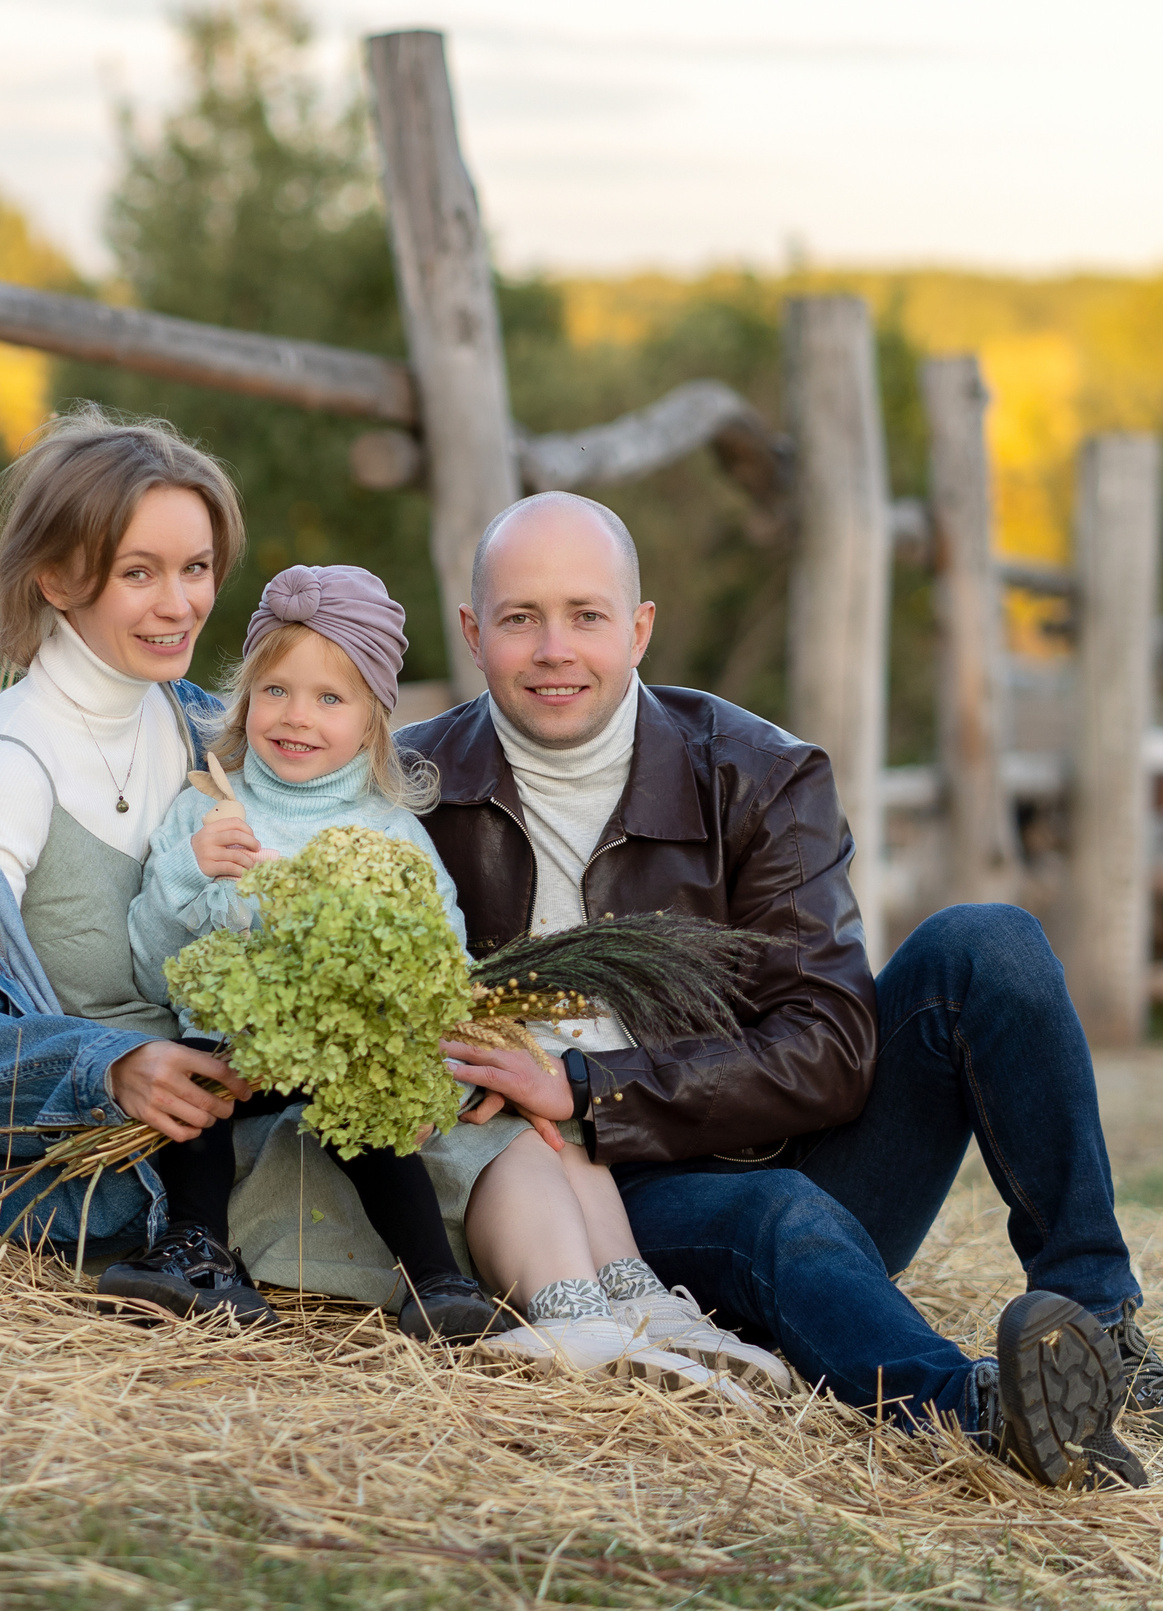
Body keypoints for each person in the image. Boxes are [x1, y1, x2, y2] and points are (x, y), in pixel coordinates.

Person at [407, 490, 1163, 1490]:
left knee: (988, 945)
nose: (555, 648)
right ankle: (984, 1410)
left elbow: (831, 1043)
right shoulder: (411, 788)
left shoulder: (755, 773)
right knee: (774, 1210)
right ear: (472, 632)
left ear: (639, 628)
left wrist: (597, 1087)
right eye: (520, 618)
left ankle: (1096, 1330)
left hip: (785, 1141)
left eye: (586, 615)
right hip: (582, 1207)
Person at [128, 565, 786, 1391]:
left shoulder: (392, 832)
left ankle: (558, 1297)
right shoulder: (206, 811)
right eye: (276, 691)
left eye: (331, 698)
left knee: (407, 1119)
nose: (298, 716)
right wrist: (193, 878)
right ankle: (193, 1245)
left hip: (352, 1064)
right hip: (237, 1052)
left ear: (374, 717)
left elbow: (441, 959)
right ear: (245, 698)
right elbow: (150, 955)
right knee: (204, 1093)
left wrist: (435, 1031)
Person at [0, 409, 256, 1297]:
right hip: (102, 1172)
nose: (181, 603)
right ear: (55, 577)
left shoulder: (203, 727)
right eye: (139, 573)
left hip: (229, 1122)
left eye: (196, 567)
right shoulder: (3, 770)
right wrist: (108, 1067)